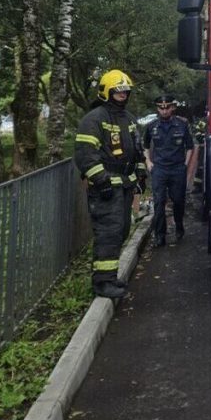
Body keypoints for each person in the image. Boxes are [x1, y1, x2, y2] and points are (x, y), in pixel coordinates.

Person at [73, 69, 147, 299]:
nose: (123, 96)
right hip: (106, 188)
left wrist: (141, 175)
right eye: (118, 92)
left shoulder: (130, 119)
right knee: (108, 233)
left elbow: (138, 151)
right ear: (106, 92)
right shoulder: (94, 119)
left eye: (126, 92)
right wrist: (100, 180)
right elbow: (85, 155)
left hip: (124, 185)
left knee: (121, 230)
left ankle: (110, 277)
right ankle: (103, 283)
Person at [143, 94, 194, 247]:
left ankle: (179, 224)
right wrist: (148, 161)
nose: (164, 111)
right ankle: (160, 235)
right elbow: (145, 146)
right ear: (157, 109)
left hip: (177, 168)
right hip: (159, 169)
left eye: (167, 107)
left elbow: (190, 147)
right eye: (161, 108)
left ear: (172, 107)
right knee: (159, 202)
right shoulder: (151, 126)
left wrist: (185, 164)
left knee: (178, 200)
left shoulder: (182, 124)